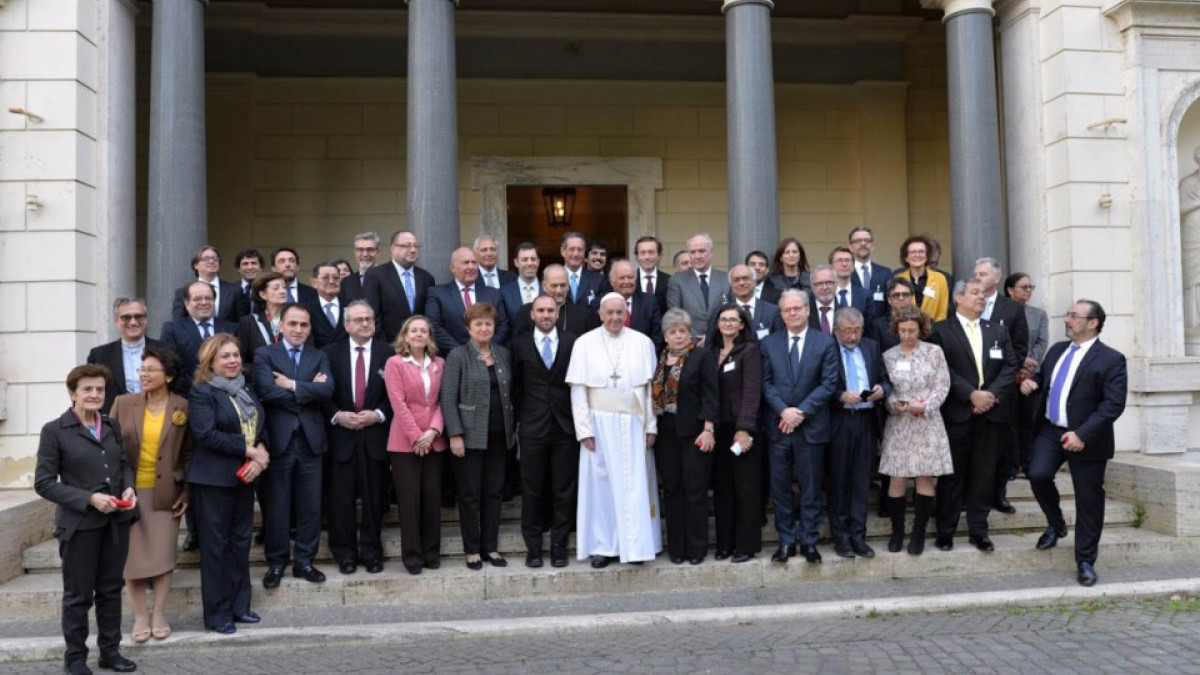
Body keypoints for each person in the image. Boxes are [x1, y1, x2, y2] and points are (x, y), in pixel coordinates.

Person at [35, 364, 139, 675]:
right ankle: (76, 659)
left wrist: (129, 487)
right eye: (87, 389)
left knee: (110, 591)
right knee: (78, 597)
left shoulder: (110, 425)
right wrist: (88, 498)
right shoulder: (54, 430)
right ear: (73, 393)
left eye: (99, 390)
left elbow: (122, 463)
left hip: (115, 524)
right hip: (79, 526)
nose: (94, 395)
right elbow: (43, 483)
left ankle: (110, 652)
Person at [1020, 300, 1127, 587]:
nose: (1067, 320)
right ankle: (1056, 524)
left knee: (1088, 500)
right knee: (1038, 475)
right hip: (1051, 431)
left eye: (1074, 316)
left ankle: (1085, 560)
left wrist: (1082, 434)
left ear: (1093, 323)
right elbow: (1046, 380)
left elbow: (1113, 405)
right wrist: (1033, 384)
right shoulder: (1057, 350)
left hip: (1088, 438)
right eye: (1068, 314)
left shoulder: (1111, 359)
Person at [567, 293, 663, 567]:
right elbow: (578, 390)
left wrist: (651, 425)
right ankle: (604, 546)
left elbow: (649, 391)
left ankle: (636, 546)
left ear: (626, 314)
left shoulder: (642, 343)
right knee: (602, 487)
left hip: (634, 424)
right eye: (609, 313)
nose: (614, 318)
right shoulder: (584, 344)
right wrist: (584, 430)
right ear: (600, 314)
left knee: (635, 485)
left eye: (619, 312)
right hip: (599, 424)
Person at [929, 279, 1019, 553]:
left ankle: (979, 530)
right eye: (975, 293)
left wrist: (989, 396)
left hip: (990, 414)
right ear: (958, 297)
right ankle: (946, 530)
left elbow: (1010, 366)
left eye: (983, 293)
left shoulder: (997, 331)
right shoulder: (941, 331)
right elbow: (941, 368)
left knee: (984, 475)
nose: (982, 297)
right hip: (958, 413)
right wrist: (970, 394)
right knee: (952, 476)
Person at [186, 334, 268, 634]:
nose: (233, 360)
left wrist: (261, 458)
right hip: (213, 480)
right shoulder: (202, 393)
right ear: (210, 362)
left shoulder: (245, 389)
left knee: (240, 544)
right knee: (215, 547)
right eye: (225, 356)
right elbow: (206, 434)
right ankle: (218, 614)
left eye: (236, 355)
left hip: (245, 477)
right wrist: (249, 451)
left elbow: (260, 426)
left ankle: (240, 606)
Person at [111, 347, 191, 643]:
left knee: (163, 554)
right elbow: (110, 449)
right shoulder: (123, 403)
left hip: (166, 493)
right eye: (142, 369)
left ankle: (159, 612)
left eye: (151, 370)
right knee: (132, 558)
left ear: (168, 376)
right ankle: (140, 615)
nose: (144, 374)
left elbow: (189, 451)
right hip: (129, 492)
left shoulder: (182, 405)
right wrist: (117, 487)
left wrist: (187, 491)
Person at [254, 303, 335, 587]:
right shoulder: (265, 354)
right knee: (277, 506)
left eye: (303, 325)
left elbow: (327, 391)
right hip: (279, 441)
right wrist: (307, 388)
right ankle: (276, 563)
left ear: (310, 327)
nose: (298, 329)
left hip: (311, 442)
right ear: (281, 326)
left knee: (311, 506)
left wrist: (291, 385)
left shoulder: (319, 355)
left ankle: (304, 562)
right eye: (293, 324)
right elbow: (267, 392)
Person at [760, 289, 839, 565]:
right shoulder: (769, 344)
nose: (792, 313)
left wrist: (800, 412)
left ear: (807, 310)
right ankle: (785, 541)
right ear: (780, 314)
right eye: (786, 310)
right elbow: (765, 383)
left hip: (811, 427)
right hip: (778, 427)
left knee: (810, 488)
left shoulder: (825, 342)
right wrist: (784, 410)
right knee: (780, 488)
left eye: (797, 308)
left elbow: (829, 383)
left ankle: (809, 541)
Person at [440, 302, 514, 570]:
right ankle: (472, 550)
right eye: (478, 324)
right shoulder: (457, 356)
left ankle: (490, 547)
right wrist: (455, 434)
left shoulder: (504, 354)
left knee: (494, 493)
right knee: (470, 494)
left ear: (494, 328)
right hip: (469, 437)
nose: (484, 328)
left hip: (499, 436)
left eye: (488, 324)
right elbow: (448, 398)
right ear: (468, 328)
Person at [323, 301, 393, 575]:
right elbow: (322, 394)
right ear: (347, 324)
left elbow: (397, 395)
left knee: (374, 499)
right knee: (341, 500)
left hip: (375, 436)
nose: (365, 323)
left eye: (369, 319)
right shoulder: (329, 354)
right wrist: (336, 416)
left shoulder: (389, 354)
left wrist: (378, 414)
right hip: (341, 436)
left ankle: (372, 551)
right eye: (359, 319)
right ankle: (345, 553)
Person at [510, 295, 579, 568]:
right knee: (533, 489)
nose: (546, 314)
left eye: (551, 310)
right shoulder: (518, 344)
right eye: (541, 310)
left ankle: (559, 547)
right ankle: (534, 548)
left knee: (563, 490)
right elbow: (515, 388)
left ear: (557, 312)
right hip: (532, 427)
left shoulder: (573, 342)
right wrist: (516, 424)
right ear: (532, 314)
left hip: (565, 426)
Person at [879, 306, 952, 555]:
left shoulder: (934, 352)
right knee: (897, 477)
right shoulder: (889, 356)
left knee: (924, 476)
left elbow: (942, 386)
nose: (907, 335)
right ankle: (897, 531)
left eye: (912, 330)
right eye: (903, 330)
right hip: (900, 423)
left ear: (922, 329)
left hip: (926, 421)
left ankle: (918, 532)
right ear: (895, 330)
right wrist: (893, 405)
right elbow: (886, 388)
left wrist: (925, 406)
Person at [652, 308, 718, 565]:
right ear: (665, 336)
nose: (678, 336)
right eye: (673, 332)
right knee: (672, 490)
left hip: (695, 433)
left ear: (689, 333)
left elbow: (711, 394)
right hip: (666, 435)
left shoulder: (701, 357)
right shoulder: (660, 359)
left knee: (695, 490)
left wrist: (709, 428)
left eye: (683, 331)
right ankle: (676, 548)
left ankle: (697, 548)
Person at [385, 315, 447, 575]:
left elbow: (444, 399)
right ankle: (412, 556)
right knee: (409, 503)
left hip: (434, 440)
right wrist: (416, 436)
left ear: (429, 336)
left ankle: (432, 553)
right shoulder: (395, 363)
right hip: (404, 442)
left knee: (432, 500)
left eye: (424, 330)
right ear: (406, 335)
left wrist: (433, 431)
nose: (419, 334)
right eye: (414, 330)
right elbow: (398, 403)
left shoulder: (440, 363)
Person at [828, 307, 889, 559]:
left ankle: (858, 536)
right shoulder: (827, 348)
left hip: (866, 420)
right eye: (846, 332)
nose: (852, 337)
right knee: (840, 481)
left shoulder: (872, 347)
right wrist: (840, 395)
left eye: (856, 331)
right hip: (840, 420)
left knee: (862, 482)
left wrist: (881, 390)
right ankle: (841, 537)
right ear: (836, 330)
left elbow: (886, 379)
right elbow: (822, 383)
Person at [706, 304, 763, 562]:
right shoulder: (710, 352)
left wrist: (744, 429)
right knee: (723, 489)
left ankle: (745, 546)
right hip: (718, 429)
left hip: (742, 430)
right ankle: (724, 544)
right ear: (717, 323)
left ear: (742, 324)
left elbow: (752, 392)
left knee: (745, 489)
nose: (728, 323)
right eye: (723, 319)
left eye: (733, 320)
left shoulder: (749, 351)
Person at [973, 257, 1030, 514]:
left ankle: (999, 495)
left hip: (1002, 392)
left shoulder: (1013, 309)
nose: (978, 277)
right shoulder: (964, 305)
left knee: (1000, 450)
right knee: (974, 449)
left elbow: (1018, 351)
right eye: (975, 274)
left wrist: (997, 388)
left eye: (983, 274)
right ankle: (971, 497)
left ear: (996, 279)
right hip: (971, 391)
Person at [87, 297, 169, 414]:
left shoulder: (165, 350)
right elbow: (90, 391)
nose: (133, 322)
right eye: (126, 317)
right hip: (114, 421)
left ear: (146, 319)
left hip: (158, 418)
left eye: (138, 316)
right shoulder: (99, 355)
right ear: (116, 321)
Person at [160, 281, 239, 394]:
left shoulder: (232, 329)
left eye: (208, 298)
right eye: (197, 299)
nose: (204, 302)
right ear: (187, 304)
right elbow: (169, 365)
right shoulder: (172, 329)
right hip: (187, 397)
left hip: (228, 395)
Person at [426, 247, 510, 354]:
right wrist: (462, 352)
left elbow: (503, 325)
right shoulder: (438, 293)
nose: (471, 267)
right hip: (453, 358)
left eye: (474, 263)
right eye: (466, 263)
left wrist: (486, 349)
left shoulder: (493, 294)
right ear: (452, 267)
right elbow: (433, 325)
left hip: (489, 357)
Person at [1006, 272, 1049, 474]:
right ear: (1010, 290)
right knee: (1010, 421)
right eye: (1023, 287)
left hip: (1031, 374)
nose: (1028, 291)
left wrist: (1030, 364)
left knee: (1029, 419)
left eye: (1030, 287)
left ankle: (1028, 462)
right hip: (1009, 372)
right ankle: (1012, 465)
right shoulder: (1003, 312)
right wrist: (1020, 361)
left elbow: (1042, 341)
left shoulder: (1038, 314)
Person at [363, 230, 437, 343]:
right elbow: (372, 315)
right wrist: (385, 346)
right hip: (388, 346)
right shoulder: (375, 275)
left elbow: (428, 316)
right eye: (406, 246)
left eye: (415, 246)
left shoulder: (426, 278)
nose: (413, 250)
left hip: (419, 347)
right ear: (393, 248)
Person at [666, 233, 731, 340]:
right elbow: (675, 315)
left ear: (711, 252)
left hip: (721, 341)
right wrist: (695, 338)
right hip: (691, 343)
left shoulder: (726, 279)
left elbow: (732, 312)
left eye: (702, 251)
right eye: (693, 252)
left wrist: (711, 337)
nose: (697, 256)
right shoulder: (677, 281)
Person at [511, 264, 597, 338]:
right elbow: (518, 344)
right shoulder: (526, 312)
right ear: (544, 285)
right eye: (554, 286)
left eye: (563, 285)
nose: (559, 291)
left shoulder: (583, 314)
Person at [236, 271, 290, 386]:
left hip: (291, 383)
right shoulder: (249, 322)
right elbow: (241, 361)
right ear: (263, 295)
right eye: (276, 288)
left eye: (284, 287)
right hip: (260, 385)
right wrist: (265, 374)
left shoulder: (294, 319)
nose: (282, 291)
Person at [593, 259, 662, 348]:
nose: (627, 282)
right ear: (612, 281)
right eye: (622, 278)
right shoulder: (599, 303)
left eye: (630, 277)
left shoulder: (650, 302)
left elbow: (657, 337)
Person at [170, 245, 247, 323]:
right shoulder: (182, 292)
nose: (211, 261)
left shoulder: (234, 291)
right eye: (206, 259)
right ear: (195, 265)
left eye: (215, 258)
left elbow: (242, 323)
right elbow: (178, 323)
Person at [719, 263, 782, 340]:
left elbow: (779, 342)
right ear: (731, 285)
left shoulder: (773, 311)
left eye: (745, 278)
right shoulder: (721, 312)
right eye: (736, 280)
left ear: (754, 281)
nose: (741, 283)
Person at [895, 235, 950, 322]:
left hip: (934, 331)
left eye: (921, 252)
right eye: (913, 252)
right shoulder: (898, 279)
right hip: (906, 331)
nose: (917, 255)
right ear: (906, 257)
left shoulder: (940, 279)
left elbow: (942, 312)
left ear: (927, 256)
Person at [848, 226, 893, 319]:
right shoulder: (845, 273)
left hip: (879, 329)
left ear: (872, 246)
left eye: (867, 240)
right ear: (851, 247)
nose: (863, 243)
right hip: (852, 328)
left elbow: (891, 304)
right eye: (858, 241)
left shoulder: (885, 273)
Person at [865, 277, 917, 353]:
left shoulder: (922, 322)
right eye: (896, 295)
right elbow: (875, 356)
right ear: (889, 300)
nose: (901, 298)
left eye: (905, 295)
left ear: (911, 298)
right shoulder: (877, 326)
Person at [303, 261, 348, 349]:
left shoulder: (350, 306)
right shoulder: (306, 309)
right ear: (314, 283)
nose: (331, 281)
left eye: (335, 278)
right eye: (325, 278)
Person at [561, 231, 609, 306]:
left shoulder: (600, 280)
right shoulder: (551, 277)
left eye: (580, 250)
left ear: (584, 253)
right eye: (572, 249)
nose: (576, 254)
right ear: (563, 251)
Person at [499, 241, 542, 323]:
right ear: (516, 262)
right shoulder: (504, 293)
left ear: (538, 262)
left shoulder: (548, 290)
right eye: (525, 260)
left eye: (533, 259)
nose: (529, 263)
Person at [634, 235, 671, 315]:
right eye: (642, 253)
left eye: (651, 252)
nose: (647, 257)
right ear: (637, 257)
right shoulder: (630, 280)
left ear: (659, 256)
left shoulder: (669, 281)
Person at [341, 231, 380, 300]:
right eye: (360, 250)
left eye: (370, 250)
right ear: (355, 253)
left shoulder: (389, 280)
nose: (365, 254)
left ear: (378, 253)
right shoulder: (346, 283)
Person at [808, 264, 839, 336]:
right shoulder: (804, 312)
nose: (824, 287)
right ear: (812, 287)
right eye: (819, 283)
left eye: (829, 282)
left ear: (836, 284)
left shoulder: (844, 311)